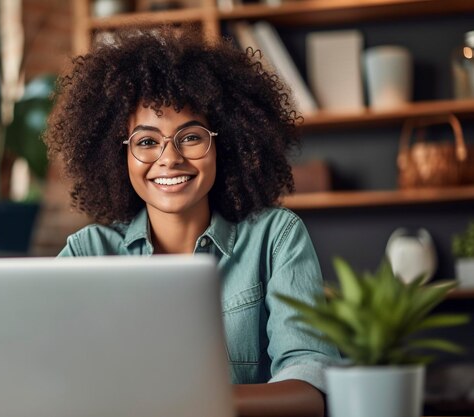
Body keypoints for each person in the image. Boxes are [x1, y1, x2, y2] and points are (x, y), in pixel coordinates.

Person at [44, 26, 339, 417]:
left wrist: (190, 405)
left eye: (191, 137)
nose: (170, 159)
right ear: (120, 157)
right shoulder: (88, 254)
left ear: (225, 143)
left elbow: (309, 393)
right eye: (147, 141)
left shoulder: (275, 239)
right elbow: (47, 380)